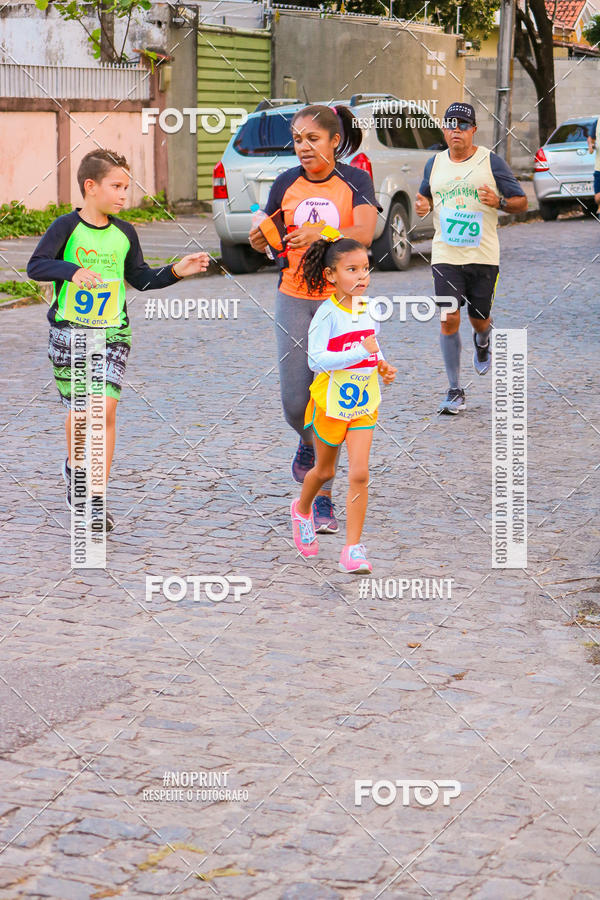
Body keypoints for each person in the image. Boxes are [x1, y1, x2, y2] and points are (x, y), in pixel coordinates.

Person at [27, 148, 210, 530]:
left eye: (127, 187)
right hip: (70, 332)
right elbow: (36, 266)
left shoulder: (125, 232)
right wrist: (73, 271)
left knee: (104, 411)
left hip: (113, 332)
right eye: (117, 186)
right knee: (80, 414)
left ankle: (94, 498)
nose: (125, 194)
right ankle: (74, 469)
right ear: (90, 187)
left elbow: (141, 278)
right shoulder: (65, 227)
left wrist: (178, 270)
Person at [249, 104, 380, 532]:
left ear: (334, 142)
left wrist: (323, 233)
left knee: (332, 402)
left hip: (342, 305)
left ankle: (321, 499)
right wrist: (260, 241)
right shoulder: (286, 182)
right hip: (294, 296)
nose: (302, 147)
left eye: (312, 139)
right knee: (294, 403)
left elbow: (364, 233)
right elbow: (272, 239)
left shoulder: (355, 180)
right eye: (297, 139)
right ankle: (309, 443)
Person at [289, 230, 396, 574]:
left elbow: (372, 346)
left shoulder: (369, 308)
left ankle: (353, 549)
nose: (361, 276)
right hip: (330, 402)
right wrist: (356, 353)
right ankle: (302, 509)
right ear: (331, 275)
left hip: (364, 401)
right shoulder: (326, 314)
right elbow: (315, 362)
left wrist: (381, 364)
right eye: (352, 270)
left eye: (365, 269)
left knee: (360, 473)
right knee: (325, 470)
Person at [415, 102, 527, 415]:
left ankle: (482, 339)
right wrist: (422, 204)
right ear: (444, 129)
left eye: (463, 125)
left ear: (473, 130)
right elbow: (425, 194)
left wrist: (500, 201)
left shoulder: (491, 161)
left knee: (479, 318)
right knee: (449, 317)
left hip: (483, 255)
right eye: (450, 124)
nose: (456, 130)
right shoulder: (434, 163)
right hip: (446, 254)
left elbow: (521, 201)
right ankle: (454, 389)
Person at [586, 117, 600, 212]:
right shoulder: (597, 122)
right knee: (597, 198)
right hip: (599, 167)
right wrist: (590, 145)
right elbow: (591, 138)